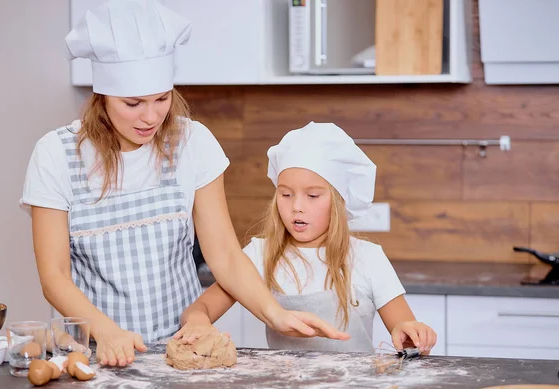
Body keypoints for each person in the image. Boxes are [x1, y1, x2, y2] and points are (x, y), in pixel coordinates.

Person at [19, 0, 347, 367]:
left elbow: (223, 253)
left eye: (162, 98)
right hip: (92, 353)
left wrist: (275, 314)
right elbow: (54, 275)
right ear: (103, 97)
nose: (151, 116)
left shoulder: (192, 141)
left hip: (183, 350)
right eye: (133, 103)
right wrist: (106, 332)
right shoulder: (55, 154)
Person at [175, 122, 438, 354]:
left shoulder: (367, 257)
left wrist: (412, 334)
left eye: (313, 196)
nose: (296, 206)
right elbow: (199, 310)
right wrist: (198, 320)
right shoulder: (259, 254)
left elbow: (405, 331)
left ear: (339, 200)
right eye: (286, 194)